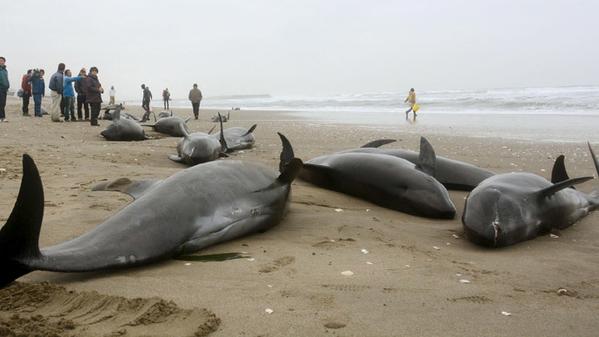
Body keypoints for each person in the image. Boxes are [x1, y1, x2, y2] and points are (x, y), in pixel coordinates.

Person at [0, 57, 9, 122]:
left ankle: (2, 117)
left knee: (3, 103)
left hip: (4, 89)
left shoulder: (5, 70)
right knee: (1, 103)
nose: (1, 62)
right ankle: (2, 117)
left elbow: (6, 79)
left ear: (4, 62)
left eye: (2, 61)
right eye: (0, 61)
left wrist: (8, 86)